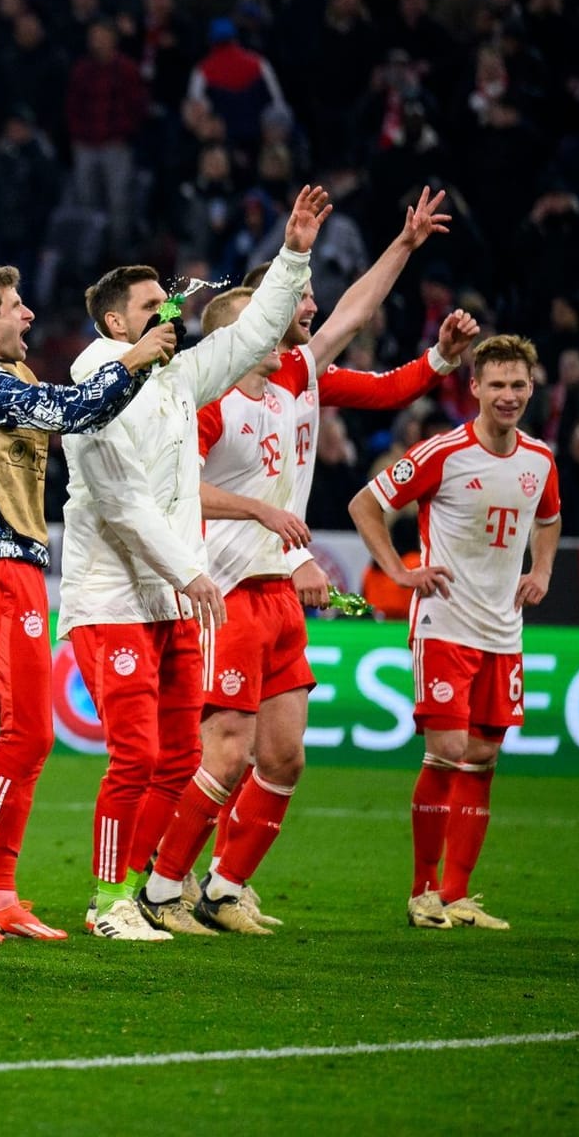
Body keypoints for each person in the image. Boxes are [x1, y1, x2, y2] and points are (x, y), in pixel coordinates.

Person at [143, 190, 469, 935]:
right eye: (300, 298)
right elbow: (179, 495)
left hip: (279, 595)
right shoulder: (209, 398)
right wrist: (264, 516)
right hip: (223, 592)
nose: (313, 310)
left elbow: (367, 340)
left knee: (283, 758)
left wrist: (406, 247)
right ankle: (162, 889)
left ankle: (224, 889)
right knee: (225, 752)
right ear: (254, 313)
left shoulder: (298, 376)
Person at [58, 184, 329, 942]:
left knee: (180, 758)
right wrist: (191, 570)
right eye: (152, 307)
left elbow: (249, 339)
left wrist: (294, 256)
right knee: (137, 754)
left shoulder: (174, 377)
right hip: (115, 596)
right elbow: (121, 502)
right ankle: (104, 900)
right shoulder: (96, 379)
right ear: (116, 323)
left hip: (172, 599)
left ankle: (143, 892)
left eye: (167, 305)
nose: (167, 315)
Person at [0, 264, 172, 942]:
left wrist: (140, 367)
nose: (29, 314)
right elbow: (75, 411)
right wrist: (136, 356)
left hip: (21, 563)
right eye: (16, 305)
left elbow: (83, 407)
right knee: (28, 733)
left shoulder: (17, 377)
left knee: (26, 740)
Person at [350, 335, 561, 931]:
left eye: (518, 384)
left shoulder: (540, 458)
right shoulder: (444, 451)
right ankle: (421, 892)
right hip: (444, 622)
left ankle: (456, 894)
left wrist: (540, 569)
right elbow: (366, 504)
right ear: (474, 388)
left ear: (531, 387)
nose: (508, 396)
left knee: (485, 757)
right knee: (447, 751)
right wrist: (397, 571)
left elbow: (549, 517)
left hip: (503, 629)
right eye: (496, 384)